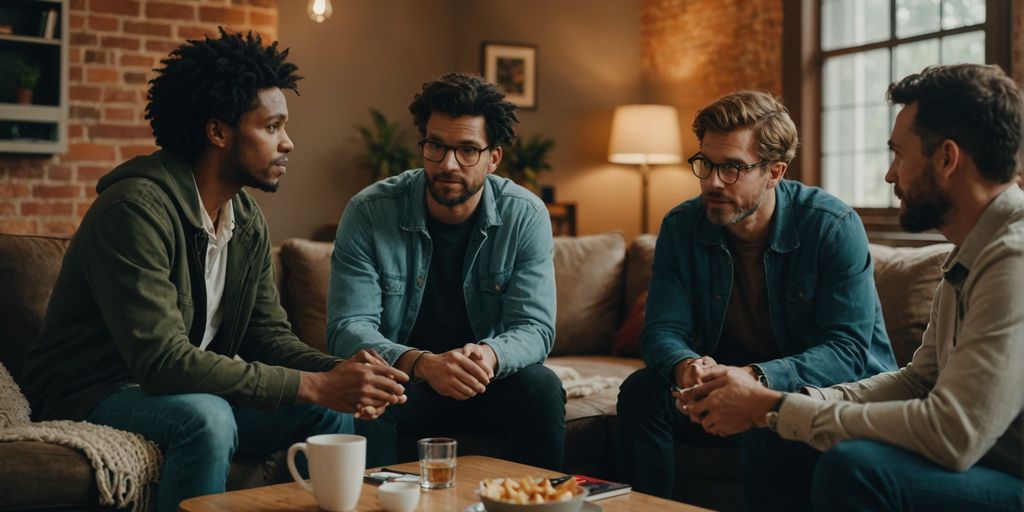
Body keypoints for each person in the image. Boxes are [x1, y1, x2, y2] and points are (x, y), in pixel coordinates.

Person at [22, 29, 408, 512]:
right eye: (271, 127)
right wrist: (317, 384)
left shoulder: (244, 219)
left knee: (326, 417)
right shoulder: (134, 210)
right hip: (93, 391)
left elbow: (269, 338)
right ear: (219, 132)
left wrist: (344, 374)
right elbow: (163, 361)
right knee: (206, 417)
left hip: (176, 391)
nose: (288, 143)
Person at [688, 64, 1024, 511]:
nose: (889, 175)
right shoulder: (969, 251)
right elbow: (919, 379)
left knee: (855, 467)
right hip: (973, 461)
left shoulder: (1013, 260)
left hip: (1008, 476)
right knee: (773, 435)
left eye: (899, 154)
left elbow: (951, 434)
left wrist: (772, 405)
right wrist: (779, 406)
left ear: (947, 158)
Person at [616, 90, 898, 500]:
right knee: (642, 392)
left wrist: (753, 379)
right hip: (724, 388)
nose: (712, 181)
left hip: (820, 395)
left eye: (731, 168)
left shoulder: (832, 226)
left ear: (775, 172)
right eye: (705, 164)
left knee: (773, 413)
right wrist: (686, 366)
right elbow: (662, 330)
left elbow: (846, 351)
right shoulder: (682, 226)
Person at [327, 72, 565, 470]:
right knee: (366, 390)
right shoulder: (370, 212)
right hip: (405, 385)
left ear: (494, 158)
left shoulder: (524, 215)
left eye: (468, 150)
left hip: (486, 383)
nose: (448, 164)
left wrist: (489, 355)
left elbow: (535, 327)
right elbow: (347, 327)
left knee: (540, 387)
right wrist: (424, 364)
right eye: (435, 146)